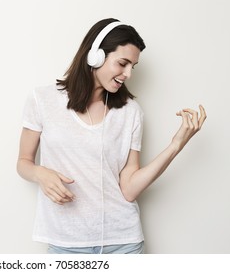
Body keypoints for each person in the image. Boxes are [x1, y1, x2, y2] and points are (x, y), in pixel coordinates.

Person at [16, 18, 206, 254]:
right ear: (94, 56)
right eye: (122, 63)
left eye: (132, 67)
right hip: (67, 244)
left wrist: (176, 145)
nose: (128, 74)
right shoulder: (42, 100)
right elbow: (23, 162)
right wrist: (40, 173)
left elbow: (128, 189)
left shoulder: (131, 112)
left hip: (124, 242)